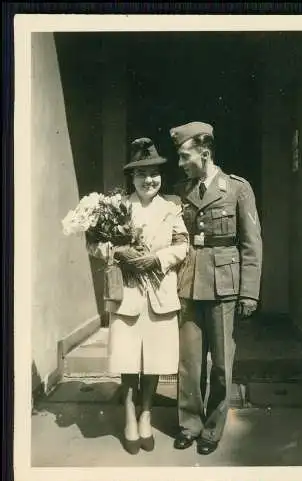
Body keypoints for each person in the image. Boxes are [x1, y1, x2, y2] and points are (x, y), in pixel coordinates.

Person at [88, 138, 188, 455]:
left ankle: (146, 415)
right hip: (128, 295)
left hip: (160, 293)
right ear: (132, 178)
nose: (149, 180)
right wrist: (116, 252)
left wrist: (157, 260)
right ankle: (130, 418)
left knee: (155, 360)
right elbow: (95, 246)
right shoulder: (117, 208)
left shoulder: (171, 207)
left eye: (154, 173)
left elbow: (183, 246)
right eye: (142, 174)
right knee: (129, 360)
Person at [169, 121, 263, 455]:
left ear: (204, 153)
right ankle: (189, 424)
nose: (180, 164)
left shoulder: (237, 188)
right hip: (190, 283)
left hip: (225, 285)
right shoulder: (182, 191)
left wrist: (249, 292)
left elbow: (252, 244)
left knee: (222, 363)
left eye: (184, 156)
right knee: (189, 363)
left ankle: (212, 428)